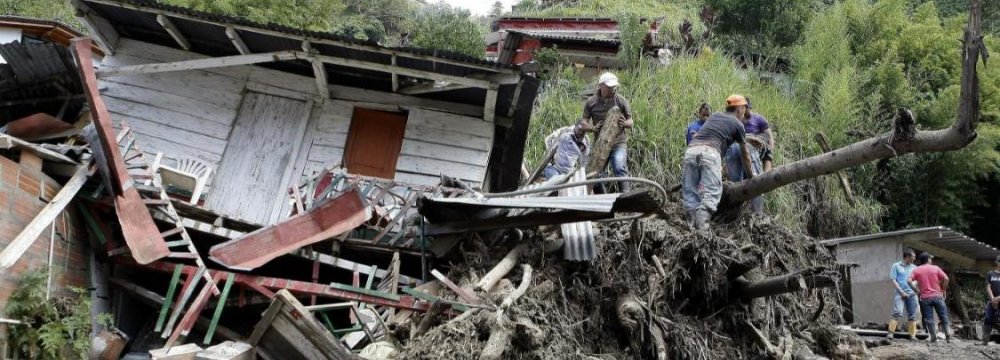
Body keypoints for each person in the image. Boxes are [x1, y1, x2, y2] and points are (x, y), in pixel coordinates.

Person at [681, 95, 754, 230]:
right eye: (744, 109)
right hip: (710, 152)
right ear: (739, 108)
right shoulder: (738, 124)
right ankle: (702, 231)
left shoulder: (714, 116)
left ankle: (691, 231)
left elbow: (714, 134)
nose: (744, 113)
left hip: (691, 151)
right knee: (711, 194)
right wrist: (751, 176)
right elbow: (745, 154)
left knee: (691, 193)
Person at [581, 72, 634, 193]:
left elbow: (631, 122)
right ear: (601, 86)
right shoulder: (591, 102)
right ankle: (602, 197)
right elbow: (583, 123)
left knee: (619, 166)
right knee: (595, 173)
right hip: (600, 144)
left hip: (618, 143)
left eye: (614, 86)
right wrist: (592, 128)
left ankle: (626, 196)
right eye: (609, 87)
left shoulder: (621, 101)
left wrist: (625, 123)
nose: (612, 89)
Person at [909, 252, 951, 343]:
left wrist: (917, 291)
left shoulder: (917, 270)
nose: (931, 260)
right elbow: (946, 279)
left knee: (929, 318)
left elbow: (909, 281)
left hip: (925, 298)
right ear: (928, 259)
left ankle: (933, 338)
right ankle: (948, 335)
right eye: (930, 258)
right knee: (943, 316)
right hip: (938, 296)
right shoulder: (936, 268)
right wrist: (943, 290)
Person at [887, 249, 919, 340]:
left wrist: (914, 287)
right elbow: (893, 280)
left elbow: (917, 279)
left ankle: (912, 335)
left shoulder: (914, 267)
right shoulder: (896, 266)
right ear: (907, 256)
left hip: (912, 294)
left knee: (912, 315)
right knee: (897, 313)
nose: (914, 259)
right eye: (913, 257)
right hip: (899, 293)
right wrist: (901, 292)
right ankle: (891, 333)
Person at [982, 256, 1000, 345]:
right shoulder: (990, 274)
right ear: (997, 262)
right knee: (988, 319)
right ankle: (985, 340)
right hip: (991, 302)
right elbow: (988, 287)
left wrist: (998, 298)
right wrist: (993, 299)